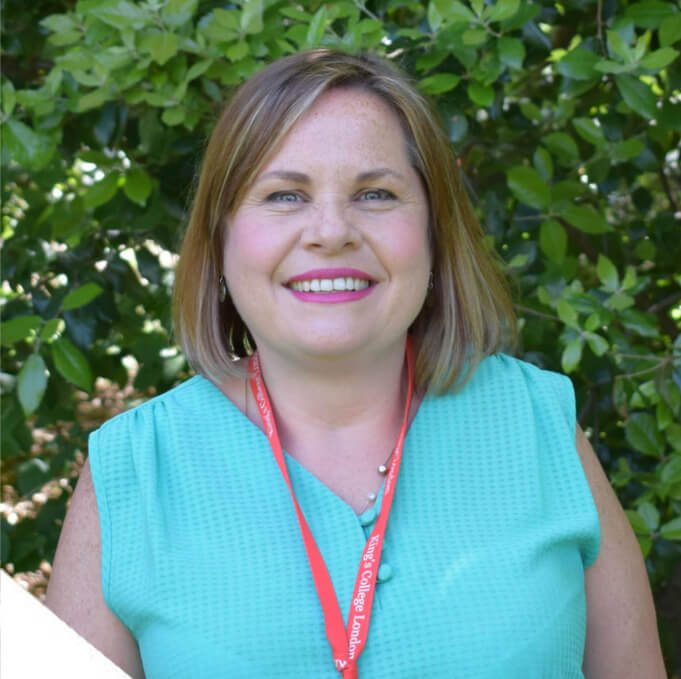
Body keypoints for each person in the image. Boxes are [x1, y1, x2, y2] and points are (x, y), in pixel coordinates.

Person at [46, 49, 665, 678]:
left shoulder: (539, 426)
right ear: (221, 241)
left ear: (433, 232)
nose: (332, 231)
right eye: (285, 195)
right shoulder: (135, 470)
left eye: (375, 193)